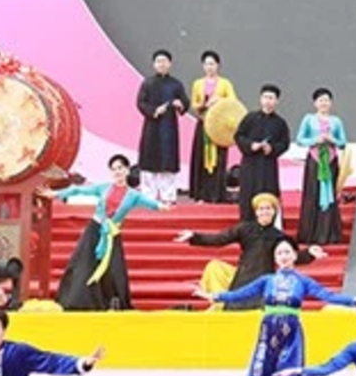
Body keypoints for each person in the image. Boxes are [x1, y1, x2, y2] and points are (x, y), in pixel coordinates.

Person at [195, 239, 356, 376]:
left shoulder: (303, 281)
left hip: (291, 337)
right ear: (275, 258)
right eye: (279, 253)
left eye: (287, 252)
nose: (283, 256)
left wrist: (354, 301)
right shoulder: (267, 280)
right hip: (267, 335)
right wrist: (214, 296)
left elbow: (327, 296)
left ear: (294, 256)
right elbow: (239, 294)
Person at [47, 155, 164, 312]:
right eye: (114, 169)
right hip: (94, 231)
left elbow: (151, 203)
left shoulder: (133, 195)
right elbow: (78, 190)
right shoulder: (104, 188)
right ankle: (79, 301)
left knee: (114, 269)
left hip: (112, 234)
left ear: (127, 170)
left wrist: (162, 206)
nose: (117, 172)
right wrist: (56, 194)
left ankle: (113, 301)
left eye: (120, 168)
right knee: (84, 265)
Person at [182, 192, 324, 299]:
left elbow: (292, 257)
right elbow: (220, 239)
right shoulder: (244, 229)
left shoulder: (279, 236)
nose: (264, 212)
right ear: (256, 212)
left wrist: (309, 253)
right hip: (243, 277)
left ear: (274, 212)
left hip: (263, 280)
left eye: (268, 208)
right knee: (215, 268)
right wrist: (195, 237)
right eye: (261, 209)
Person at [134, 49, 191, 207]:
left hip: (169, 127)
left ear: (170, 64)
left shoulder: (176, 84)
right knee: (149, 162)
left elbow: (185, 102)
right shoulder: (148, 83)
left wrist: (180, 104)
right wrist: (154, 111)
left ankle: (168, 196)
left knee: (168, 162)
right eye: (158, 61)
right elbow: (140, 103)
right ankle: (148, 197)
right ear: (154, 64)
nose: (161, 64)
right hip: (152, 127)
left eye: (164, 61)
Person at [295, 88, 351, 246]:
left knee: (330, 194)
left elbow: (343, 143)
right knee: (313, 193)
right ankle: (310, 234)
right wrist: (315, 140)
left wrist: (333, 139)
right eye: (320, 100)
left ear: (331, 103)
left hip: (331, 160)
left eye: (326, 100)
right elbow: (300, 139)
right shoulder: (308, 119)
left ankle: (329, 234)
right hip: (315, 160)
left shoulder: (336, 121)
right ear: (315, 103)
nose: (324, 103)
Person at [186, 50, 238, 203]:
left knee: (219, 160)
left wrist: (219, 100)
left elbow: (233, 101)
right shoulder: (198, 83)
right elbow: (194, 104)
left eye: (212, 64)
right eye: (207, 64)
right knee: (201, 158)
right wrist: (203, 104)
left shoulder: (225, 83)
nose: (209, 67)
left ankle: (216, 194)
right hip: (203, 123)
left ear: (218, 65)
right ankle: (201, 194)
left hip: (219, 127)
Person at [234, 83, 291, 220]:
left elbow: (285, 143)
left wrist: (272, 149)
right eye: (265, 97)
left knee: (268, 193)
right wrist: (251, 145)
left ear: (276, 101)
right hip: (250, 164)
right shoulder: (250, 118)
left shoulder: (280, 123)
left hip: (268, 165)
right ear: (260, 99)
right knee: (248, 194)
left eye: (271, 98)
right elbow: (238, 136)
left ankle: (268, 223)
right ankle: (247, 224)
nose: (268, 101)